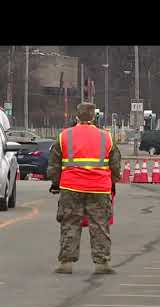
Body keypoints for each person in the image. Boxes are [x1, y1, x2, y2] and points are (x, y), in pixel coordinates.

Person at [47, 102, 121, 275]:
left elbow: (54, 164)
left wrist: (56, 183)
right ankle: (102, 263)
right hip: (99, 188)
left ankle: (66, 263)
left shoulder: (65, 136)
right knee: (100, 225)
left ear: (77, 117)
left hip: (71, 186)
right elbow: (115, 165)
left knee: (70, 223)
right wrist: (112, 182)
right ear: (94, 117)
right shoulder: (106, 137)